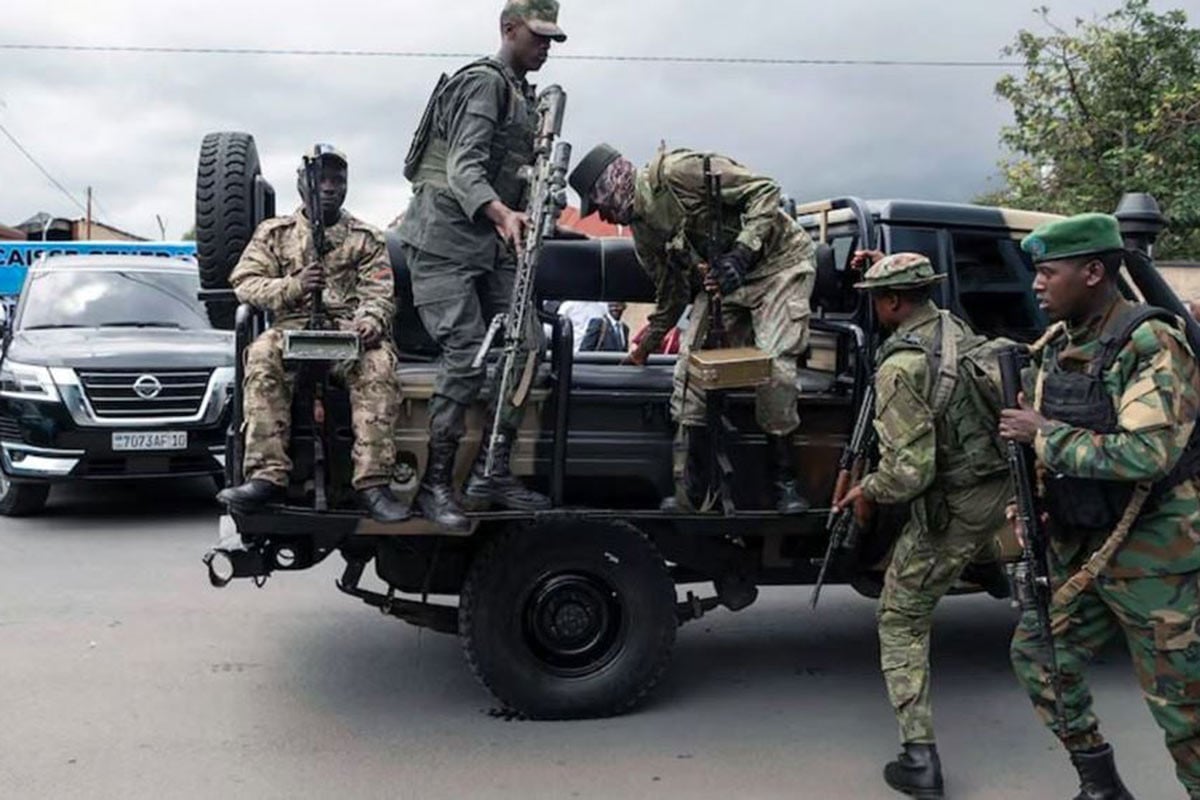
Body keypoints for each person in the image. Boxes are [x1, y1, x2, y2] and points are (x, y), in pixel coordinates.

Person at [1000, 213, 1200, 799]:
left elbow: (1148, 453)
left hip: (1158, 560)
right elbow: (1056, 443)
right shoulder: (1060, 345)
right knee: (1039, 654)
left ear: (1093, 272)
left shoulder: (1151, 341)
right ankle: (1101, 784)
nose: (1036, 284)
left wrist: (1042, 434)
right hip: (1086, 546)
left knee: (1185, 714)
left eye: (1047, 272)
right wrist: (1037, 500)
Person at [835, 252, 1011, 799]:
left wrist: (868, 490)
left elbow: (911, 472)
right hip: (993, 489)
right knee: (964, 550)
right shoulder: (954, 330)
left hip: (955, 503)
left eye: (876, 299)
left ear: (892, 302)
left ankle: (920, 758)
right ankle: (993, 573)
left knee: (901, 617)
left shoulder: (899, 367)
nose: (873, 308)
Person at [568, 143, 813, 514]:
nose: (601, 217)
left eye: (598, 204)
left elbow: (764, 189)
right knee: (688, 374)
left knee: (774, 369)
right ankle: (692, 489)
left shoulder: (678, 172)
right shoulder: (644, 233)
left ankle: (785, 482)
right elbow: (672, 292)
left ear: (612, 185)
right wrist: (645, 346)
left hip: (779, 265)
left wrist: (743, 252)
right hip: (724, 283)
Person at [396, 0, 567, 530]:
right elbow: (464, 166)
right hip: (444, 240)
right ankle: (436, 484)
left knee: (529, 344)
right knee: (467, 348)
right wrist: (501, 212)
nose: (545, 47)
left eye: (551, 39)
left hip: (489, 243)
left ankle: (492, 469)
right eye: (537, 36)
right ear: (508, 30)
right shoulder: (484, 84)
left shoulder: (523, 95)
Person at [217, 145, 408, 523]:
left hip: (347, 331)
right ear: (303, 184)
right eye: (321, 179)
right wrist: (293, 286)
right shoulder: (276, 234)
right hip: (292, 328)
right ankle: (266, 475)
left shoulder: (365, 238)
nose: (330, 188)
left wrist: (370, 321)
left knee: (378, 364)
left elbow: (380, 293)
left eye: (338, 181)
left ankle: (372, 483)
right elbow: (245, 283)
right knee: (261, 354)